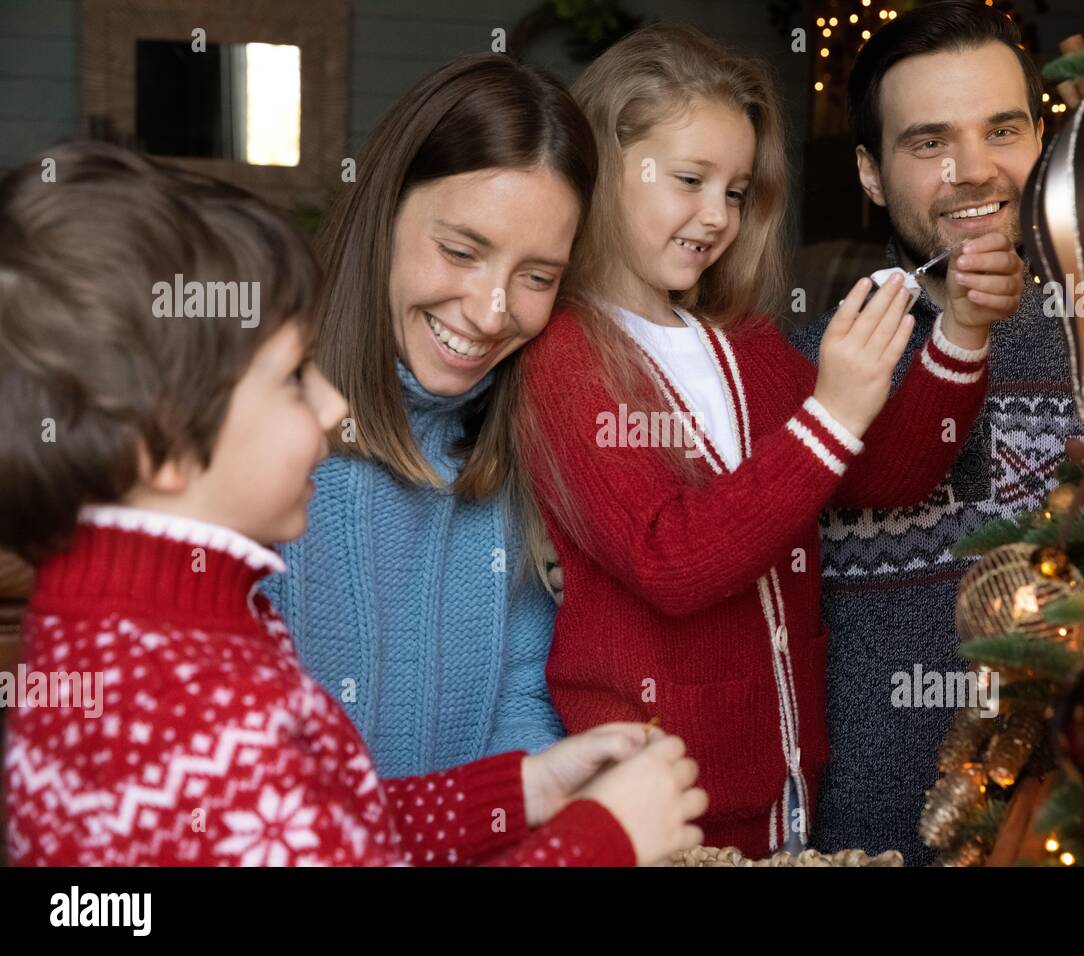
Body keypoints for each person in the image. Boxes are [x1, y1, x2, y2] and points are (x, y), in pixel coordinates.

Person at [0, 141, 707, 866]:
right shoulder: (197, 710)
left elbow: (324, 824)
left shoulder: (142, 631)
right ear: (160, 445)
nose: (330, 399)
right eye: (292, 378)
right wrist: (601, 843)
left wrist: (520, 791)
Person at [516, 24, 1019, 859]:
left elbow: (882, 477)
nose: (716, 216)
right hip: (654, 808)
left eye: (737, 191)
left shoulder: (741, 341)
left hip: (788, 789)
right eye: (689, 181)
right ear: (605, 168)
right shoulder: (568, 358)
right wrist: (831, 414)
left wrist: (960, 334)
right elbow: (674, 562)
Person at [786, 1, 1084, 865]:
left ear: (1041, 139)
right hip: (862, 848)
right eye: (928, 143)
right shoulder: (809, 363)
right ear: (871, 173)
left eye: (1002, 130)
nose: (973, 170)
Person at [259, 55, 595, 777]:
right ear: (384, 212)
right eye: (461, 251)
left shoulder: (525, 446)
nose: (490, 311)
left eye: (537, 276)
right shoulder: (252, 442)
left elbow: (521, 697)